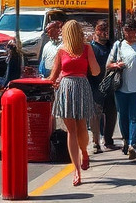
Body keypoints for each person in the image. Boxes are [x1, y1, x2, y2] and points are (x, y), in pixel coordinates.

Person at [49, 19, 100, 185]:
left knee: (80, 126)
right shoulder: (77, 49)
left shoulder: (80, 49)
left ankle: (84, 153)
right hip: (76, 87)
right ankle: (77, 169)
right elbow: (96, 71)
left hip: (70, 87)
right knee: (73, 129)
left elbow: (53, 77)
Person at [105, 17, 136, 160]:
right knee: (122, 115)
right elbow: (108, 65)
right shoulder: (118, 45)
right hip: (121, 86)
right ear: (123, 31)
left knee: (134, 116)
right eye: (127, 30)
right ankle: (125, 139)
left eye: (133, 30)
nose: (130, 34)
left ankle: (133, 144)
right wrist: (116, 65)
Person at [89, 19, 117, 152]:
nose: (104, 31)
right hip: (95, 85)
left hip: (111, 85)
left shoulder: (113, 46)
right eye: (101, 28)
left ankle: (108, 140)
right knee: (95, 115)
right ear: (95, 30)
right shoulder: (91, 47)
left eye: (106, 29)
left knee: (111, 113)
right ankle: (96, 142)